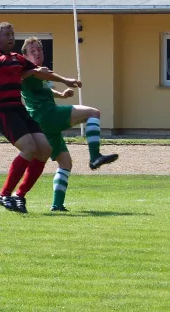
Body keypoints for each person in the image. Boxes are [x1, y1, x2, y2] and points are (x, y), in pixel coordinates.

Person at [0, 22, 81, 213]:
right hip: (1, 111)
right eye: (6, 34)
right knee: (29, 148)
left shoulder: (18, 59)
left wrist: (66, 81)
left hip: (19, 110)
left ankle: (19, 195)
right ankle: (4, 194)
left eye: (12, 34)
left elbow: (41, 73)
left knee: (45, 149)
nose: (11, 37)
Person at [20, 36, 119, 212]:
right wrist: (66, 80)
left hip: (42, 123)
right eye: (32, 51)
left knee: (65, 163)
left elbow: (44, 88)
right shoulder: (30, 70)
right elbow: (42, 76)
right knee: (93, 113)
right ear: (25, 56)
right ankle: (95, 156)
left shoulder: (39, 71)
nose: (37, 53)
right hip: (46, 116)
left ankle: (54, 205)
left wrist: (61, 95)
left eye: (39, 49)